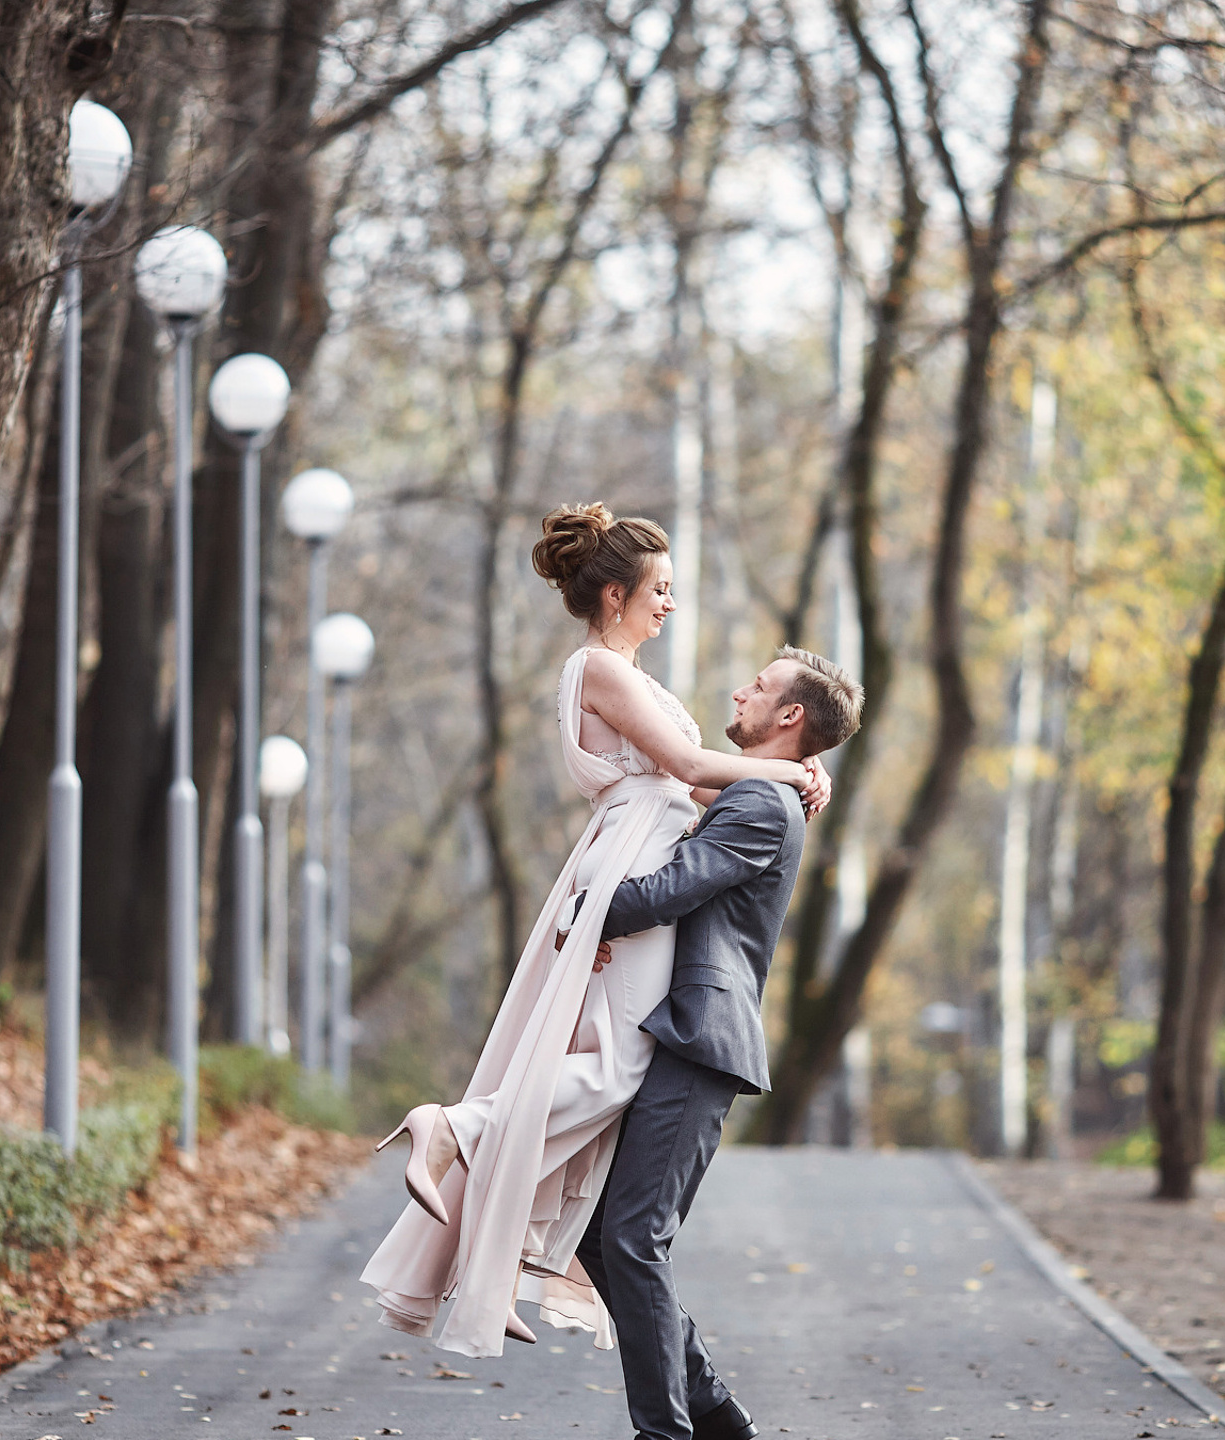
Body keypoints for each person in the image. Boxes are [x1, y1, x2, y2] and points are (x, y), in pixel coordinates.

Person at [360, 503, 829, 1358]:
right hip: (629, 869)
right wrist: (790, 769)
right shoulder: (599, 667)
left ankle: (490, 1258)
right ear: (615, 594)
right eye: (661, 590)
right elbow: (688, 771)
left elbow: (696, 788)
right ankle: (456, 1131)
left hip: (639, 855)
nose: (670, 605)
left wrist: (789, 772)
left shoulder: (629, 675)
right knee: (616, 1071)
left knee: (589, 1068)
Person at [572, 644, 863, 1440]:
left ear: (790, 716)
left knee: (633, 1239)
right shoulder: (759, 794)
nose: (742, 692)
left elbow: (670, 891)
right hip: (672, 1034)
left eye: (760, 687)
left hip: (702, 1041)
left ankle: (667, 1432)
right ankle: (716, 1418)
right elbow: (675, 791)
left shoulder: (762, 809)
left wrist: (580, 911)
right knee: (608, 1239)